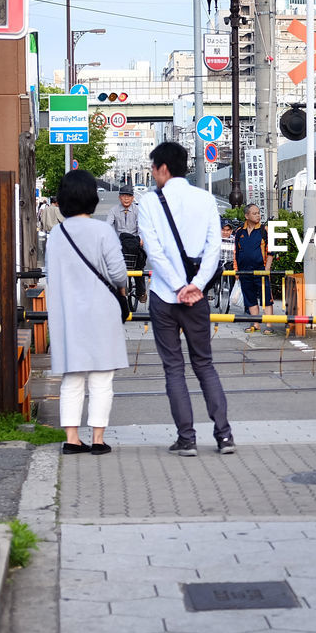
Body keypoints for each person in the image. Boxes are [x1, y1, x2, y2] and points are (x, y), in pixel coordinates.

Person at [136, 141, 234, 457]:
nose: (152, 174)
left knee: (174, 369)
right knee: (205, 365)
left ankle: (187, 439)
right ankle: (224, 437)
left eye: (153, 168)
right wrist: (196, 285)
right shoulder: (205, 200)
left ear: (163, 169)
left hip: (164, 298)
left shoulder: (149, 203)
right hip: (198, 299)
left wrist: (178, 285)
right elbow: (214, 248)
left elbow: (154, 251)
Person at [45, 169, 128, 457]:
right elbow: (118, 273)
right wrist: (122, 289)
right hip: (101, 312)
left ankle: (71, 438)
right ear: (92, 197)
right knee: (102, 378)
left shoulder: (56, 235)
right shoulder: (103, 230)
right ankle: (97, 438)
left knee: (72, 378)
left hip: (67, 314)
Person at [233, 204, 272, 332]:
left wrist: (267, 269)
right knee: (250, 298)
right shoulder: (240, 232)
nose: (258, 215)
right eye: (254, 213)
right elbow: (236, 253)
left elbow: (270, 251)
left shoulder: (264, 230)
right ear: (246, 216)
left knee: (266, 298)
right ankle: (255, 324)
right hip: (244, 271)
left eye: (258, 213)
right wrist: (236, 270)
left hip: (261, 270)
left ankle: (269, 326)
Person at [111, 185, 147, 306]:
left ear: (133, 198)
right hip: (119, 244)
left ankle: (141, 292)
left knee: (138, 267)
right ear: (119, 197)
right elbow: (108, 226)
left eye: (129, 196)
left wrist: (141, 238)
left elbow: (142, 226)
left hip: (134, 243)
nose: (126, 199)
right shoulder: (113, 210)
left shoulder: (138, 210)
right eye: (124, 196)